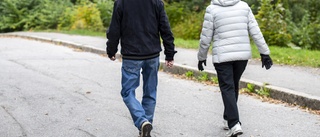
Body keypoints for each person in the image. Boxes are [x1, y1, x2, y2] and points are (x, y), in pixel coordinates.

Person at [197, 0, 273, 136]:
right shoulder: (244, 6)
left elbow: (206, 36)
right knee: (233, 85)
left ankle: (234, 123)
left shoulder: (212, 9)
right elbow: (255, 30)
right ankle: (228, 118)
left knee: (227, 87)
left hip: (222, 57)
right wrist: (264, 52)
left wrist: (201, 56)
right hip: (241, 56)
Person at [106, 0, 177, 137]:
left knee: (127, 92)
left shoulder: (121, 2)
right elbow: (165, 28)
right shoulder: (156, 2)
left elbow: (114, 29)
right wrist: (169, 53)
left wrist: (111, 50)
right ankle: (145, 126)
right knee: (150, 92)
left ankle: (142, 121)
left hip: (131, 56)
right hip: (152, 55)